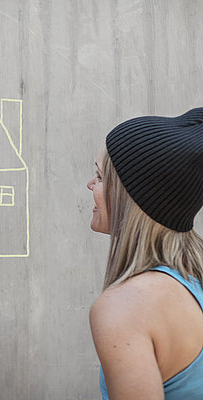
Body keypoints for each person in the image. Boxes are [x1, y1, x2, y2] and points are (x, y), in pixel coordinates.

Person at [86, 108, 203, 399]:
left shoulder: (126, 307)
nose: (91, 184)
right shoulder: (194, 281)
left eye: (100, 176)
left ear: (130, 197)